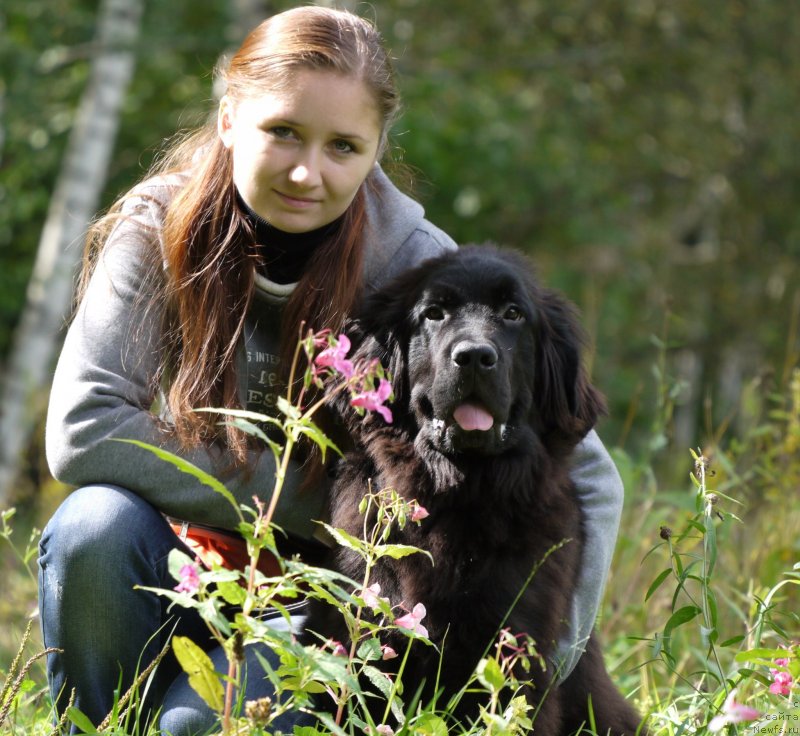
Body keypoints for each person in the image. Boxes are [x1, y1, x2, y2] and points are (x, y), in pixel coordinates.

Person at [38, 6, 624, 735]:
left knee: (199, 728)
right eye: (283, 131)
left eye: (344, 146)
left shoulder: (411, 260)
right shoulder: (158, 227)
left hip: (320, 599)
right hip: (178, 559)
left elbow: (592, 475)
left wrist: (546, 663)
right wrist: (334, 510)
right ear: (229, 119)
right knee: (92, 524)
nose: (307, 172)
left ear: (375, 151)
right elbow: (83, 429)